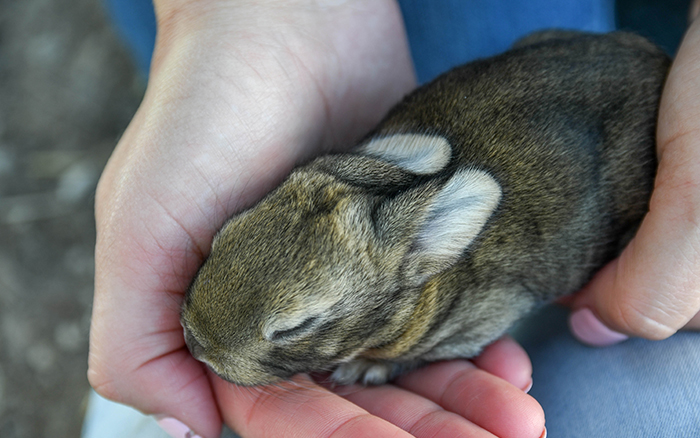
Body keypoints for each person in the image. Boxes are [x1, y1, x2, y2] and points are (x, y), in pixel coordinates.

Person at [84, 1, 700, 437]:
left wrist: (390, 360)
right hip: (563, 82)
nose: (198, 339)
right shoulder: (367, 171)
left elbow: (497, 305)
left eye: (292, 325)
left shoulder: (436, 261)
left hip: (620, 139)